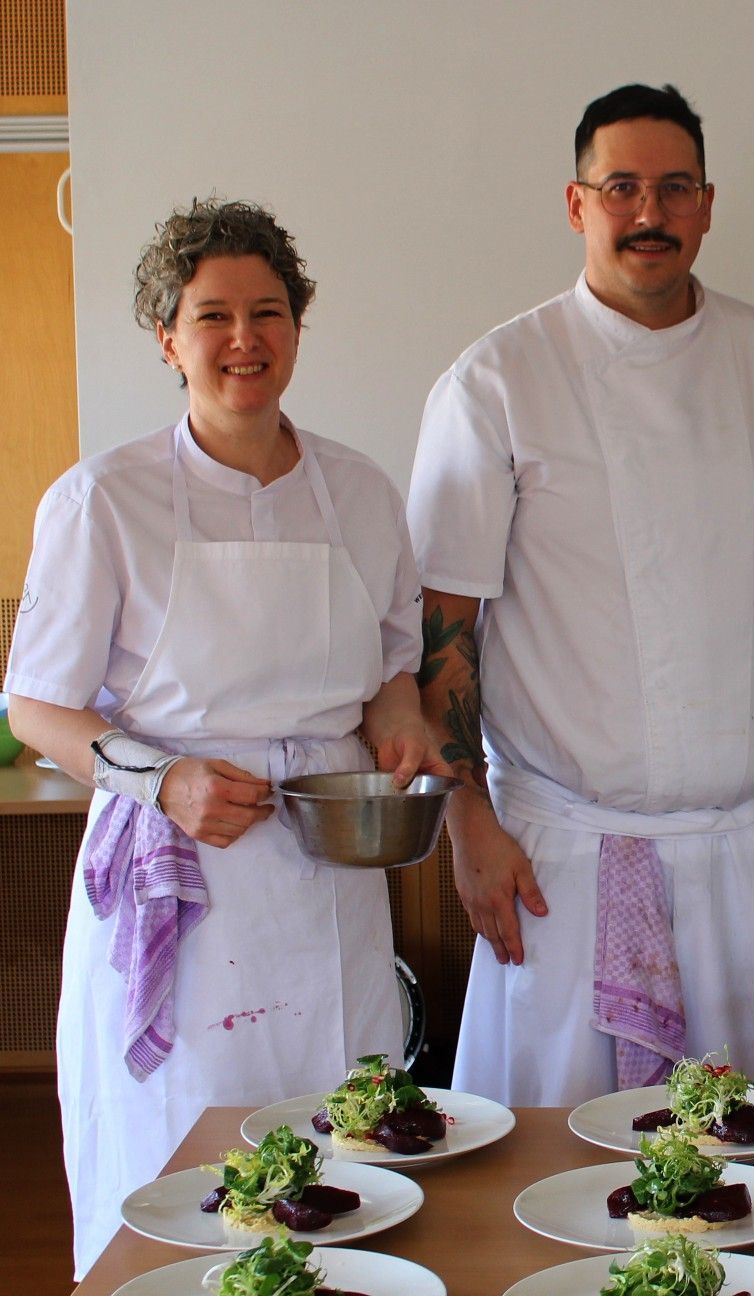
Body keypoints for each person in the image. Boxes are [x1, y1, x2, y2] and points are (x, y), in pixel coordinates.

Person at [407, 83, 754, 1105]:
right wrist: (466, 821)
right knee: (549, 1168)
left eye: (673, 188)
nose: (648, 213)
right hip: (557, 858)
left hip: (741, 857)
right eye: (621, 187)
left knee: (746, 1170)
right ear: (577, 205)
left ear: (707, 204)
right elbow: (444, 628)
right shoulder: (497, 381)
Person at [3, 199, 442, 1276]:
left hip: (329, 868)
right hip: (185, 869)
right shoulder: (103, 499)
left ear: (298, 326)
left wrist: (401, 735)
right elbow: (38, 708)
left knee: (340, 1141)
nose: (245, 339)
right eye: (213, 316)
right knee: (189, 1150)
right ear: (167, 336)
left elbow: (388, 671)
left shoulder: (361, 492)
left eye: (269, 311)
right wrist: (163, 783)